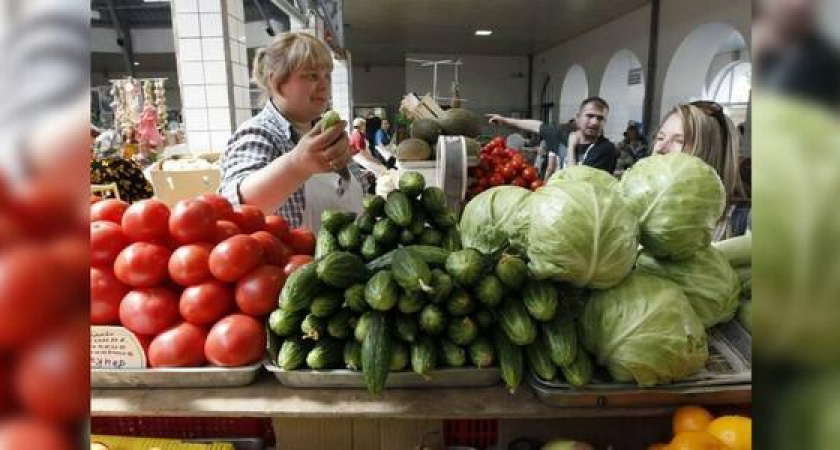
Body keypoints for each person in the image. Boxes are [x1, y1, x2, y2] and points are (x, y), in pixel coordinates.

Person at [219, 31, 364, 229]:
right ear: (277, 83)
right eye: (312, 76)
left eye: (327, 76)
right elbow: (235, 207)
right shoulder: (259, 134)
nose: (324, 86)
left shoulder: (323, 132)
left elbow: (356, 188)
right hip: (295, 259)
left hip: (345, 258)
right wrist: (296, 164)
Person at [652, 100, 749, 239]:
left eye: (679, 141)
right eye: (660, 137)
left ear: (710, 153)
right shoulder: (641, 210)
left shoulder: (742, 225)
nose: (660, 148)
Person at [487, 97, 618, 177]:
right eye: (589, 116)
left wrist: (571, 147)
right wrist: (505, 120)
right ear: (578, 118)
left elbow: (577, 182)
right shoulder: (562, 136)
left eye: (600, 118)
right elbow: (536, 126)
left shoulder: (606, 149)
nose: (594, 122)